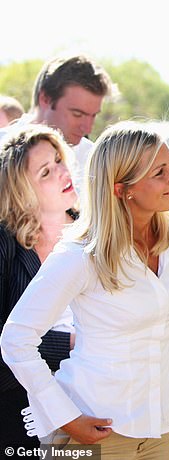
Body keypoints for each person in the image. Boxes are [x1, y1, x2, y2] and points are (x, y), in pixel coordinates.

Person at [0, 121, 169, 458]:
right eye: (160, 172)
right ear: (121, 188)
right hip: (96, 434)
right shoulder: (79, 255)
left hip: (158, 431)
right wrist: (66, 417)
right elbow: (15, 339)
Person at [0, 125, 78, 452]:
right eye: (46, 172)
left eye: (60, 160)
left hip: (98, 393)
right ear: (23, 194)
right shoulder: (7, 245)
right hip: (22, 407)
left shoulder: (96, 233)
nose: (63, 172)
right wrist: (72, 344)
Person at [0, 54, 112, 190]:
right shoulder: (2, 147)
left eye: (93, 116)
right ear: (45, 99)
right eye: (77, 114)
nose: (87, 128)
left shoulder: (93, 160)